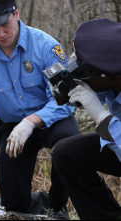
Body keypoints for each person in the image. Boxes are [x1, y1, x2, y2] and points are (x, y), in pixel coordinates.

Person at [0, 0, 80, 219]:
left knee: (69, 145)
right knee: (14, 205)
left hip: (51, 119)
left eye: (5, 24)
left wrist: (32, 121)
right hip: (12, 129)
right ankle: (38, 202)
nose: (1, 33)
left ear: (17, 14)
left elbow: (65, 99)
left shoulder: (46, 46)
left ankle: (57, 207)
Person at [52, 18, 121, 220]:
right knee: (66, 153)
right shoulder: (110, 71)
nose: (81, 75)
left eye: (85, 73)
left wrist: (101, 116)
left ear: (112, 76)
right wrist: (70, 91)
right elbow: (94, 90)